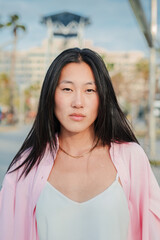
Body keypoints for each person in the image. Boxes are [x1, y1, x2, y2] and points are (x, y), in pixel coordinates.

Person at [0, 48, 160, 240]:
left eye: (90, 90)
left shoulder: (131, 158)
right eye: (67, 89)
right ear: (51, 95)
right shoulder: (24, 167)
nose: (78, 102)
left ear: (102, 98)